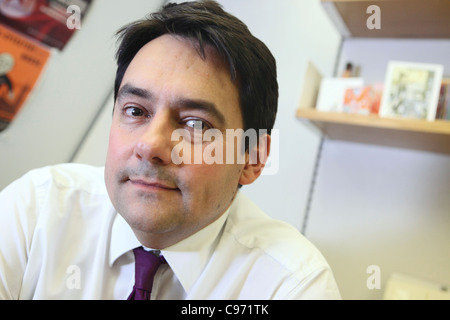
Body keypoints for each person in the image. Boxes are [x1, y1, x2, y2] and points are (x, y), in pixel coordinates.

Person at [0, 0, 341, 300]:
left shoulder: (290, 285)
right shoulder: (38, 210)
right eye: (135, 111)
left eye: (195, 125)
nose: (150, 146)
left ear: (252, 158)